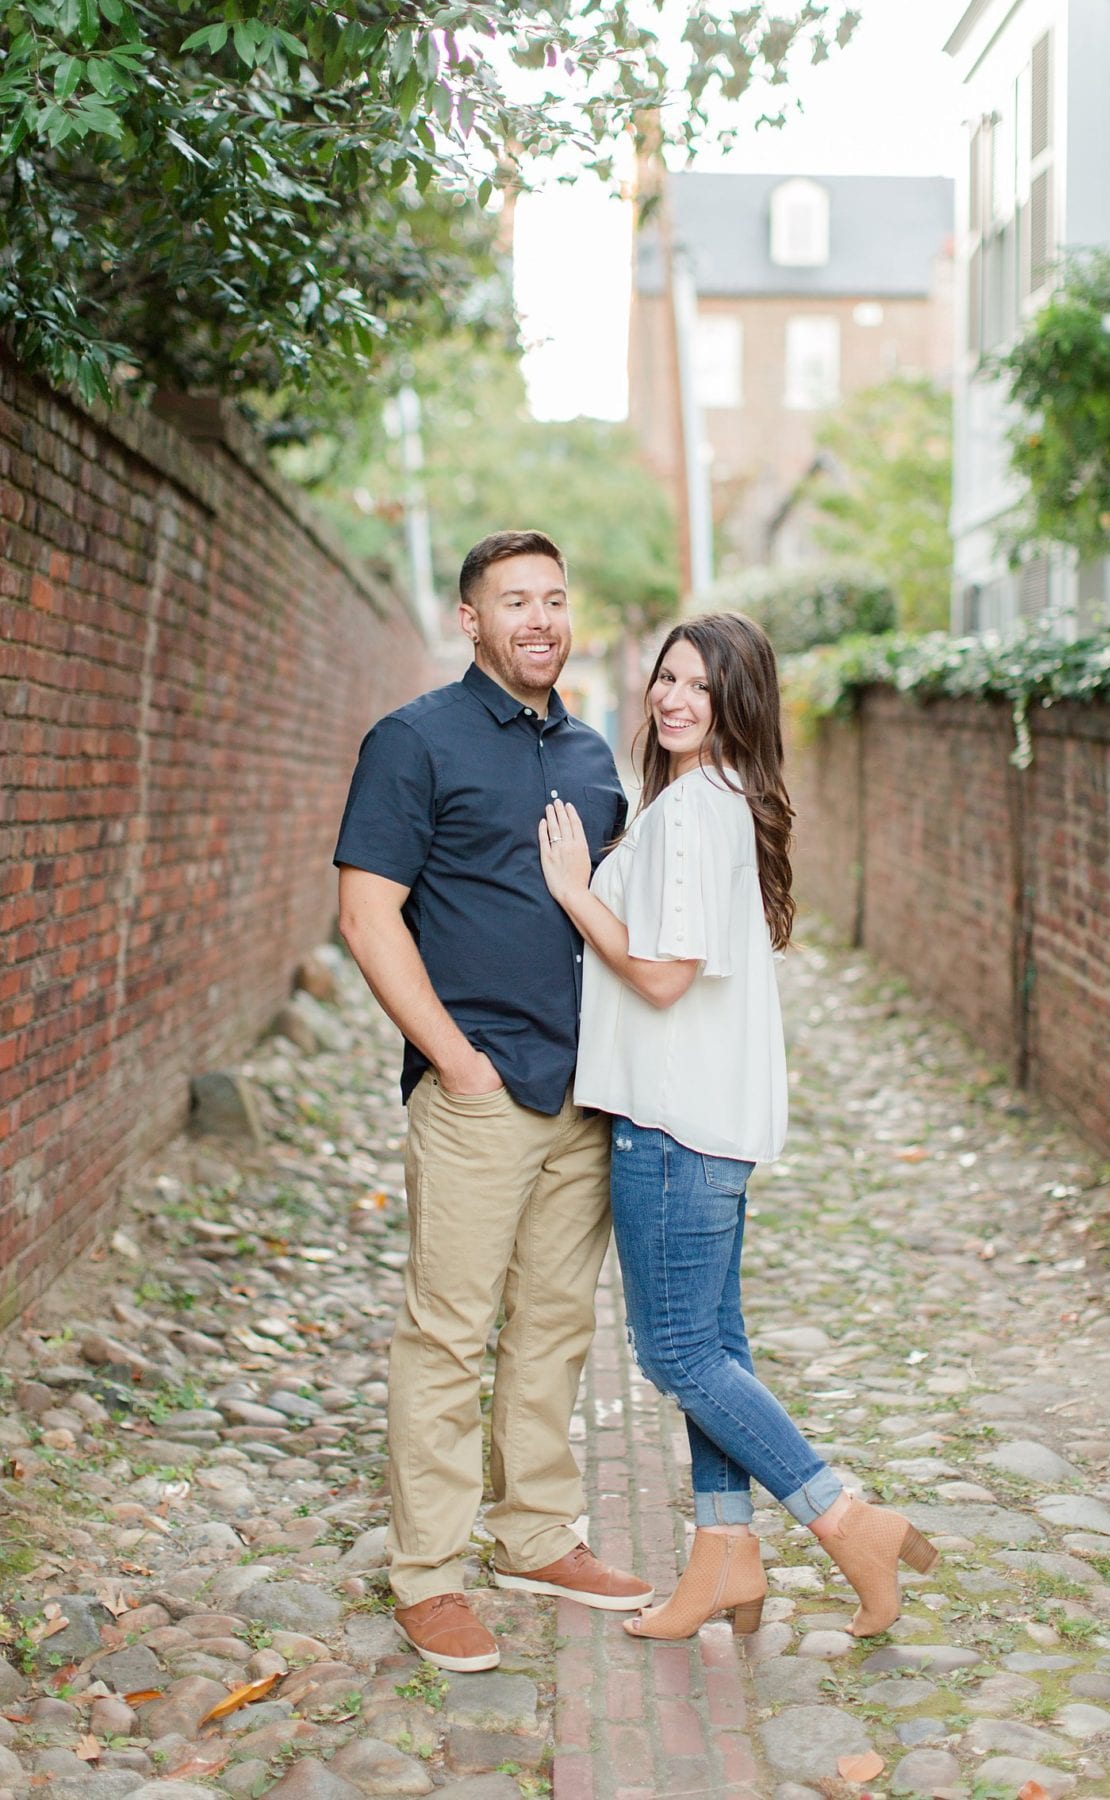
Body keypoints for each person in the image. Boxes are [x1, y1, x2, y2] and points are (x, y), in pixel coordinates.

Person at [538, 611, 938, 1641]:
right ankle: (724, 1555)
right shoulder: (725, 801)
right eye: (666, 679)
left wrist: (579, 896)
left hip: (672, 1123)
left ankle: (847, 1519)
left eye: (699, 687)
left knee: (678, 1356)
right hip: (711, 1124)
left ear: (736, 702)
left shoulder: (686, 816)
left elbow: (663, 978)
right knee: (715, 1346)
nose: (673, 699)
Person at [335, 529, 654, 1674]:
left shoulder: (590, 757)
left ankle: (535, 1535)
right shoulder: (412, 742)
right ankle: (428, 1573)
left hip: (583, 1097)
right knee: (448, 1333)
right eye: (514, 600)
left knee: (558, 1325)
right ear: (470, 620)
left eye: (555, 599)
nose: (539, 619)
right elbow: (369, 917)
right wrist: (456, 1062)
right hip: (480, 1096)